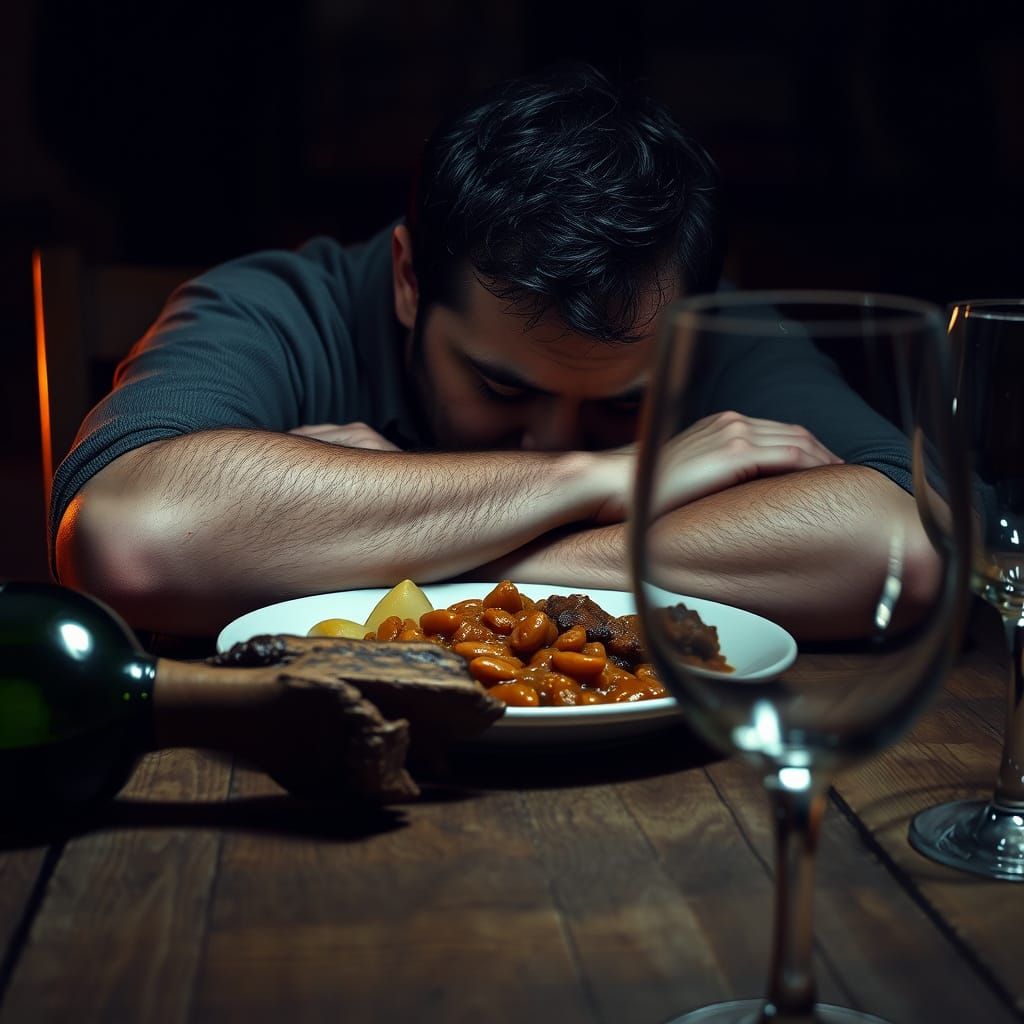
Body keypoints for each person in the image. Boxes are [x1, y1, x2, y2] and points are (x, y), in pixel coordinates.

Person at [52, 63, 938, 639]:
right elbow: (130, 535)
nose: (552, 440)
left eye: (621, 406)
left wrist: (403, 541)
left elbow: (909, 546)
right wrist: (607, 477)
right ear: (409, 279)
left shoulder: (717, 334)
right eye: (500, 388)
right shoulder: (275, 308)